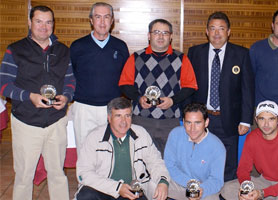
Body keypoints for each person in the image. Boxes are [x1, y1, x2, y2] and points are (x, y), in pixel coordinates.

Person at [0, 5, 75, 199]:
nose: (44, 26)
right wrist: (29, 96)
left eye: (48, 22)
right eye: (39, 21)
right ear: (29, 22)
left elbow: (70, 81)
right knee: (24, 176)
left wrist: (66, 97)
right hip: (26, 123)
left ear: (53, 24)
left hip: (56, 122)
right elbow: (4, 85)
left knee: (58, 174)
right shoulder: (15, 50)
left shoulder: (63, 51)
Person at [187, 11, 255, 184]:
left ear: (229, 32)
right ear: (207, 31)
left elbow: (247, 89)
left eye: (221, 29)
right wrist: (188, 117)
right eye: (213, 29)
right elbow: (188, 86)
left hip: (229, 119)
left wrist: (246, 120)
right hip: (203, 118)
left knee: (228, 166)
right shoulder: (195, 53)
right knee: (201, 162)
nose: (217, 33)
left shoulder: (241, 54)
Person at [119, 19, 198, 155]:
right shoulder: (136, 57)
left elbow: (190, 86)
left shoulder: (181, 58)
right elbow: (125, 84)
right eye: (156, 32)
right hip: (141, 119)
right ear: (149, 36)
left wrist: (173, 100)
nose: (161, 36)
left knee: (169, 161)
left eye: (165, 33)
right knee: (140, 158)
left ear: (171, 36)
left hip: (170, 120)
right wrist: (139, 98)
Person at [75, 97, 169, 200]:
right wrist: (117, 187)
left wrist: (162, 181)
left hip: (132, 191)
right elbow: (83, 173)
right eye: (118, 116)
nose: (123, 121)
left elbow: (155, 162)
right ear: (109, 118)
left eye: (127, 116)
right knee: (86, 196)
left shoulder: (141, 133)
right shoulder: (94, 137)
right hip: (103, 190)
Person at [70, 2, 129, 154]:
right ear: (91, 20)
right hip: (84, 108)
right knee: (85, 151)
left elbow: (126, 78)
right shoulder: (77, 46)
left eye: (106, 17)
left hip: (111, 108)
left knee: (110, 151)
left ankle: (107, 179)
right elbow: (71, 75)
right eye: (98, 17)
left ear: (112, 21)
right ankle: (84, 178)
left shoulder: (121, 46)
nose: (102, 22)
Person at [223, 100, 278, 200]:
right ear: (256, 120)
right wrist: (247, 189)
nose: (266, 124)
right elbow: (243, 169)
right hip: (265, 182)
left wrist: (263, 193)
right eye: (262, 119)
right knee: (227, 189)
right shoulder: (252, 138)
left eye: (271, 119)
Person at [164, 103, 226, 200]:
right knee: (154, 184)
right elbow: (169, 166)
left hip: (204, 189)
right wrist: (190, 183)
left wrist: (201, 190)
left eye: (197, 123)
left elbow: (217, 180)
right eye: (188, 123)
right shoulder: (175, 134)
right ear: (183, 122)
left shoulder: (217, 147)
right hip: (180, 184)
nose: (192, 128)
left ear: (206, 123)